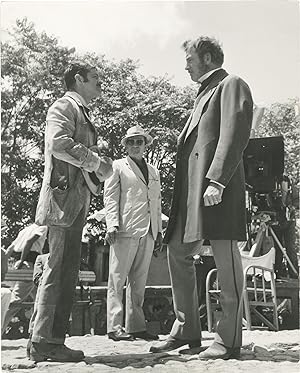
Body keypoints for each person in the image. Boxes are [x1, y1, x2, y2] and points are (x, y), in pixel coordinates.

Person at [150, 36, 253, 360]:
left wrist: (218, 181)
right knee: (177, 252)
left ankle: (229, 339)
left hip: (214, 189)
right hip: (190, 194)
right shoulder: (202, 95)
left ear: (207, 57)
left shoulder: (231, 84)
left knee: (226, 260)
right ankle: (186, 329)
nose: (186, 65)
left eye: (190, 59)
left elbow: (235, 132)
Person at [30, 62, 113, 362]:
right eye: (96, 80)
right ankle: (43, 341)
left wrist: (94, 168)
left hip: (73, 201)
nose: (100, 85)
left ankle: (49, 340)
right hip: (63, 202)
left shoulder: (80, 111)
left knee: (65, 270)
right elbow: (58, 144)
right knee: (58, 267)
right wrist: (97, 163)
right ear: (78, 80)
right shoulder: (65, 106)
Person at [104, 125, 162, 341]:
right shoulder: (117, 166)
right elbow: (110, 197)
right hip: (124, 230)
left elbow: (156, 203)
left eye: (139, 141)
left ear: (146, 144)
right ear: (125, 145)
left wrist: (159, 230)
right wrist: (112, 224)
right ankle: (114, 327)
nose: (135, 145)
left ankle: (136, 326)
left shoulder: (154, 170)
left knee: (139, 281)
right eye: (131, 142)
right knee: (117, 280)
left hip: (148, 231)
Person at [1, 223, 48, 336]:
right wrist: (22, 261)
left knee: (41, 299)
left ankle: (35, 331)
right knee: (16, 300)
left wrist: (6, 266)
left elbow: (10, 248)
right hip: (31, 265)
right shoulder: (43, 227)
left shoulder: (26, 229)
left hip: (24, 264)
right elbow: (29, 242)